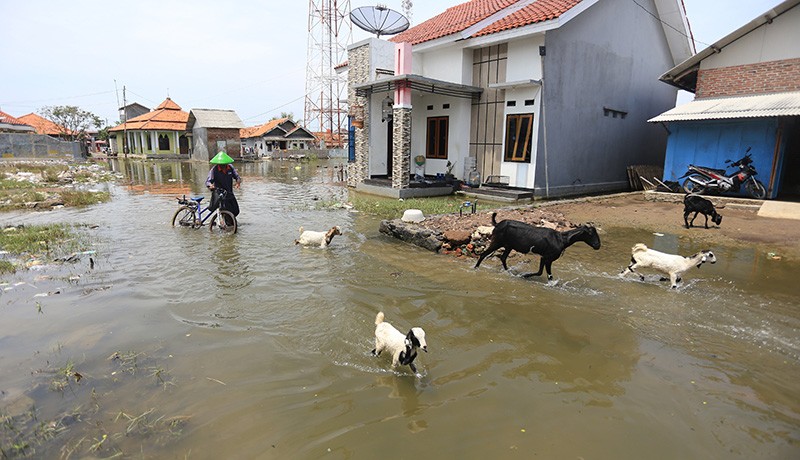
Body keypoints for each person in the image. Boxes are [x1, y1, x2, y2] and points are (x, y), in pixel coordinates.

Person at [205, 151, 242, 217]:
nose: (224, 166)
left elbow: (237, 177)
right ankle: (228, 224)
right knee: (225, 211)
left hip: (229, 192)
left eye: (225, 164)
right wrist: (210, 185)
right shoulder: (214, 170)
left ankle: (231, 222)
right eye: (222, 165)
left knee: (236, 211)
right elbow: (208, 181)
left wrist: (238, 182)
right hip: (220, 194)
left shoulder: (230, 168)